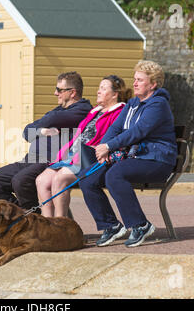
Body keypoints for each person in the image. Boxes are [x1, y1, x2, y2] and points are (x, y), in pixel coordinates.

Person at [79, 60, 178, 248]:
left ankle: (140, 225)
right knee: (87, 178)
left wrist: (110, 146)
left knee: (115, 175)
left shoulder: (158, 104)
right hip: (133, 157)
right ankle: (111, 226)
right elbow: (115, 128)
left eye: (140, 80)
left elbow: (138, 131)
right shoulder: (132, 103)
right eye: (134, 79)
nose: (134, 83)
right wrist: (103, 148)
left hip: (156, 159)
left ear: (153, 84)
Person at [0, 72, 93, 211]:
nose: (55, 93)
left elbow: (51, 120)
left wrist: (42, 123)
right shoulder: (58, 111)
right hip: (30, 159)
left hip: (50, 161)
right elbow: (27, 132)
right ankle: (22, 217)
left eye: (59, 90)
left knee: (20, 181)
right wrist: (41, 131)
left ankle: (33, 219)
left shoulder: (82, 110)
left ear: (72, 93)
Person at [36, 75, 132, 218]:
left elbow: (113, 138)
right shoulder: (95, 111)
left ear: (115, 94)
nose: (98, 91)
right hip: (74, 155)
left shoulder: (120, 112)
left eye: (103, 88)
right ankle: (47, 226)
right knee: (42, 180)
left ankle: (61, 226)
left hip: (91, 158)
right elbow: (78, 136)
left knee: (59, 179)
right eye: (99, 88)